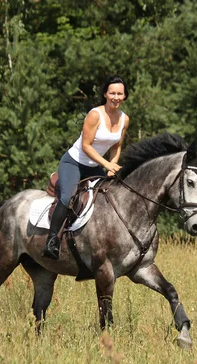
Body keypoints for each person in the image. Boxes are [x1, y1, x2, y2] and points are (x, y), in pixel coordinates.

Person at [44, 75, 130, 259]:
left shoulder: (124, 119)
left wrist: (112, 165)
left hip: (96, 166)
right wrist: (106, 164)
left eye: (119, 94)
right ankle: (52, 241)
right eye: (112, 93)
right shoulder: (94, 115)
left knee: (109, 198)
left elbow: (117, 146)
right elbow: (86, 145)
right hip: (74, 163)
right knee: (68, 198)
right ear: (105, 94)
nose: (116, 97)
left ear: (124, 96)